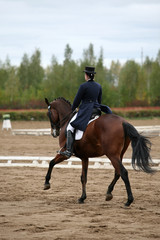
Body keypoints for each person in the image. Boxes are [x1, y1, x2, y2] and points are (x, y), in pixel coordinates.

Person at [60, 66, 111, 158]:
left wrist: (73, 108)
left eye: (85, 74)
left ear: (87, 75)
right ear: (93, 76)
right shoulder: (99, 86)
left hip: (86, 111)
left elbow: (76, 101)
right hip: (97, 110)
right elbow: (99, 101)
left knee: (70, 127)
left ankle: (68, 150)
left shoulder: (83, 86)